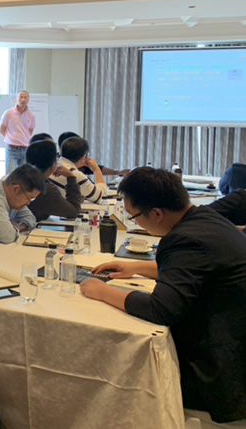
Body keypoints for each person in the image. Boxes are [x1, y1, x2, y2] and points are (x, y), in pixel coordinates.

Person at [80, 167, 246, 423]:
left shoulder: (184, 239)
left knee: (117, 363)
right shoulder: (205, 218)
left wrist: (103, 291)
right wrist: (137, 268)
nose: (135, 222)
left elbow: (161, 309)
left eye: (134, 216)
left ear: (157, 213)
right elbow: (199, 270)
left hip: (222, 370)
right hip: (235, 339)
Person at [26, 140, 83, 221]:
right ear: (53, 166)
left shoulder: (20, 178)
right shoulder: (47, 190)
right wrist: (71, 177)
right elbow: (74, 211)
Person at [49, 136, 107, 203]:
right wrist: (96, 169)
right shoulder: (76, 175)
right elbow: (102, 197)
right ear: (84, 158)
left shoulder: (52, 166)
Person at [58, 131, 129, 176]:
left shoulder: (75, 161)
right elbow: (99, 193)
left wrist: (117, 172)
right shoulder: (69, 171)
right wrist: (96, 169)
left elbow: (95, 168)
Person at [0, 90, 35, 173]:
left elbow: (30, 131)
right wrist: (11, 138)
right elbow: (1, 129)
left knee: (24, 175)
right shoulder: (9, 113)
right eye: (21, 97)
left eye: (25, 97)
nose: (23, 100)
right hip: (12, 149)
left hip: (25, 149)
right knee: (10, 175)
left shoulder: (31, 115)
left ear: (28, 99)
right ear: (17, 99)